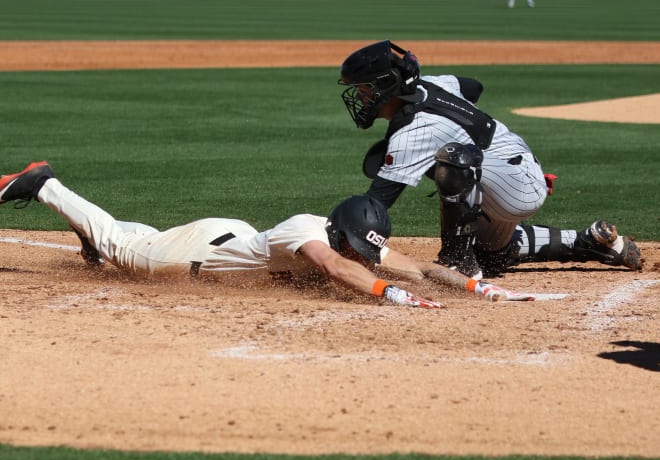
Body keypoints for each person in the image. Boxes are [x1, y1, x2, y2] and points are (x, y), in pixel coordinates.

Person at [0, 161, 533, 309]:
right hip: (194, 256)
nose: (361, 257)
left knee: (132, 237)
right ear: (341, 232)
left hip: (226, 237)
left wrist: (472, 286)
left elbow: (414, 266)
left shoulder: (349, 235)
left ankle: (87, 231)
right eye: (355, 247)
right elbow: (332, 267)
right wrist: (389, 294)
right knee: (127, 250)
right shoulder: (311, 235)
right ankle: (45, 185)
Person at [337, 40, 641, 280]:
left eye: (364, 90)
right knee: (494, 255)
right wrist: (464, 124)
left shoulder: (414, 133)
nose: (360, 97)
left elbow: (376, 201)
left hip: (514, 184)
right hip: (506, 172)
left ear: (386, 85)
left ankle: (458, 261)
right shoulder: (431, 84)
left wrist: (334, 242)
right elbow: (473, 87)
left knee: (453, 159)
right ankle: (591, 242)